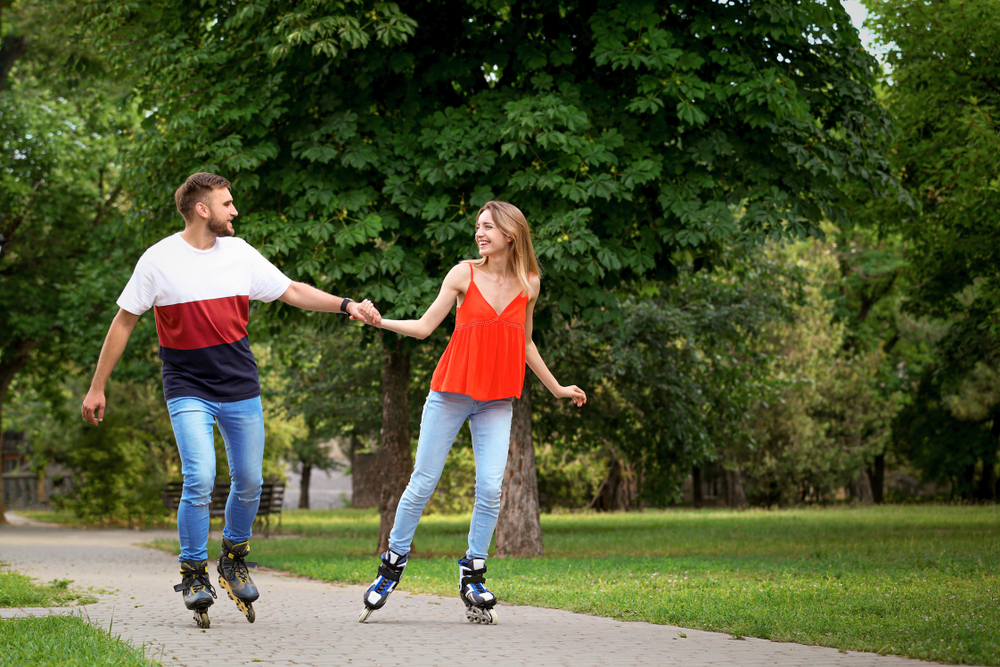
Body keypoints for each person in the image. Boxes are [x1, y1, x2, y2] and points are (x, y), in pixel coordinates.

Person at [80, 172, 380, 629]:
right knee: (199, 477)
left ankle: (234, 558)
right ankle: (193, 572)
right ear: (203, 209)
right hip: (186, 384)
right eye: (226, 203)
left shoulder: (239, 254)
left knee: (250, 481)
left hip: (239, 384)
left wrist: (346, 305)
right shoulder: (158, 259)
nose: (234, 210)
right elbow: (123, 322)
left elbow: (292, 290)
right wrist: (97, 386)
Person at [356, 200, 586, 625]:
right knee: (423, 482)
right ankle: (391, 567)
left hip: (497, 398)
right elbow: (426, 327)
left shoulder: (529, 283)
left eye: (488, 227)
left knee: (491, 488)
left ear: (510, 234)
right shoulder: (463, 273)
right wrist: (381, 322)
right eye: (478, 226)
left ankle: (473, 574)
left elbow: (526, 342)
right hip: (451, 393)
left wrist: (555, 387)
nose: (480, 233)